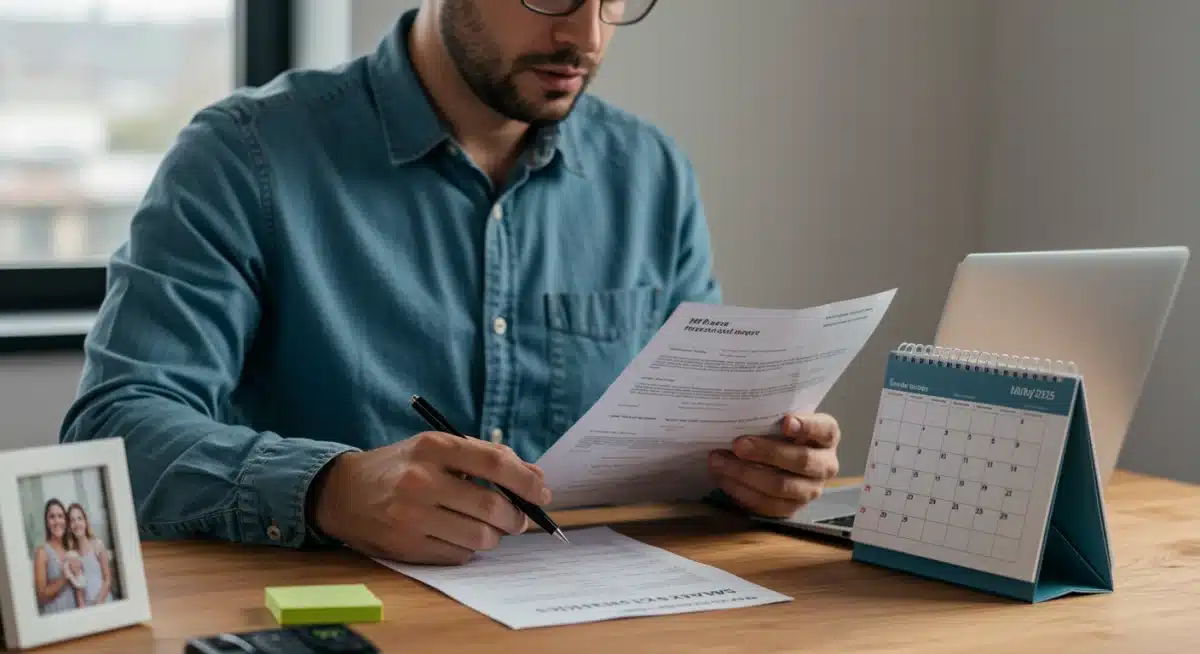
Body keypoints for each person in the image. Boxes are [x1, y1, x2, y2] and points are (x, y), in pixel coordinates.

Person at [60, 0, 841, 565]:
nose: (585, 34)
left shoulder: (652, 174)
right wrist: (327, 488)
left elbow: (688, 433)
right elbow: (113, 430)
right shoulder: (244, 157)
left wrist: (751, 469)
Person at [33, 499, 79, 614]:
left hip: (75, 614)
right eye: (52, 517)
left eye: (60, 516)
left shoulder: (70, 550)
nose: (57, 521)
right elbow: (41, 597)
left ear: (66, 521)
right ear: (47, 522)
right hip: (55, 616)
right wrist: (65, 577)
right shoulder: (42, 552)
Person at [66, 504, 115, 606]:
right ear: (69, 527)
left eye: (79, 518)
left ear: (85, 522)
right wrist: (83, 610)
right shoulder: (73, 555)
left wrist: (98, 603)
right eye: (72, 520)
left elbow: (107, 579)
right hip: (87, 606)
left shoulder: (97, 544)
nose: (76, 523)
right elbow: (79, 588)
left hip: (104, 601)